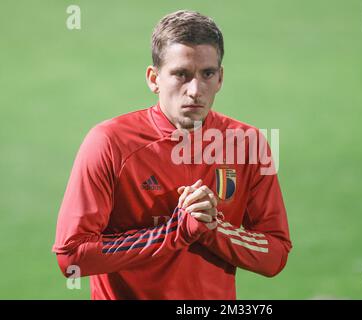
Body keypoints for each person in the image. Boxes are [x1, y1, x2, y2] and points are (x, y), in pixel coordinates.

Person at [53, 9, 292, 300]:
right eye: (181, 74)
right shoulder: (109, 143)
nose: (195, 90)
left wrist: (212, 228)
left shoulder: (248, 144)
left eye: (207, 74)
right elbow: (72, 256)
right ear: (154, 78)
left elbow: (275, 254)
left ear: (220, 79)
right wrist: (176, 231)